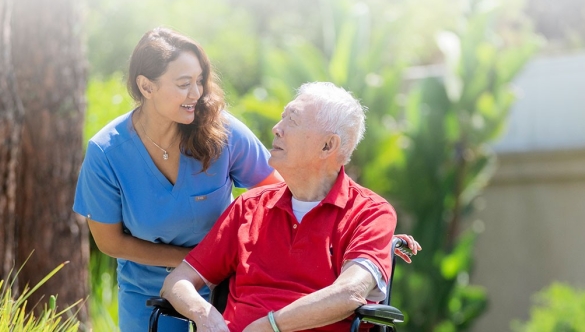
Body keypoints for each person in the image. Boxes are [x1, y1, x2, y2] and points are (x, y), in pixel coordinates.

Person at [74, 28, 419, 331]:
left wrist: (371, 232)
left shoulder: (221, 133)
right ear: (146, 87)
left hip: (224, 289)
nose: (196, 93)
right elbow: (111, 243)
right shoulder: (108, 152)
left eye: (199, 81)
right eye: (183, 84)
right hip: (154, 288)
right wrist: (207, 271)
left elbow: (292, 194)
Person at [159, 82, 421, 332]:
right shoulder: (248, 207)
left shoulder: (370, 213)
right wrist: (206, 316)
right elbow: (176, 282)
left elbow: (349, 293)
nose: (276, 128)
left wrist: (270, 326)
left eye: (291, 120)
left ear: (328, 145)